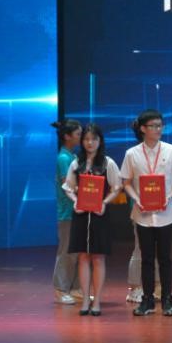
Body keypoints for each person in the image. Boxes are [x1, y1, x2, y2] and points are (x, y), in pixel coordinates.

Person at [120, 110, 172, 317]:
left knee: (165, 258)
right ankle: (147, 299)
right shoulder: (132, 154)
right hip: (142, 214)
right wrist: (136, 198)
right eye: (153, 126)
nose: (158, 129)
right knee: (146, 259)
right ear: (143, 129)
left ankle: (167, 299)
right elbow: (126, 182)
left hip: (166, 213)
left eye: (160, 125)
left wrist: (169, 196)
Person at [62, 124, 122, 316]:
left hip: (99, 215)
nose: (90, 143)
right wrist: (75, 201)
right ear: (82, 141)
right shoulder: (76, 163)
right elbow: (68, 187)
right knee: (82, 256)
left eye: (94, 139)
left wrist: (104, 203)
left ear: (100, 141)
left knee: (98, 257)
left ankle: (97, 301)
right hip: (81, 215)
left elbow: (117, 187)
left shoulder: (107, 163)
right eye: (86, 139)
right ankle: (85, 300)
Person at [51, 119, 82, 305]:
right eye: (78, 134)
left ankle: (75, 288)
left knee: (76, 252)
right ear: (67, 136)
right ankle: (60, 289)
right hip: (67, 212)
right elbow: (67, 185)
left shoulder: (72, 156)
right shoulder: (64, 158)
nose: (81, 137)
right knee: (66, 252)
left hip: (77, 210)